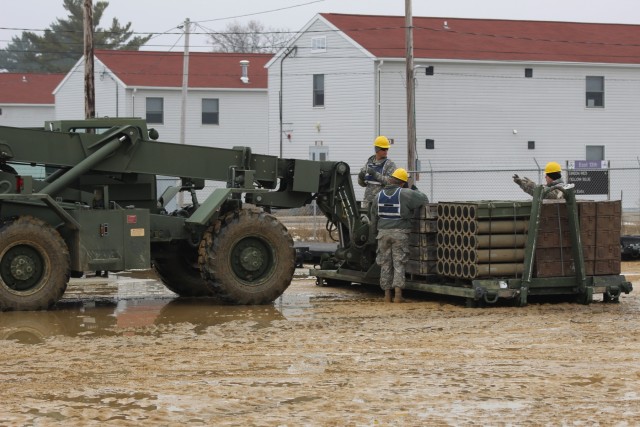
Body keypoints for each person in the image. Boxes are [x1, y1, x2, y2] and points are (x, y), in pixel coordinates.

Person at [372, 168, 429, 303]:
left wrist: (375, 234)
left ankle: (386, 295)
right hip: (400, 233)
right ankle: (398, 296)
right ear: (402, 183)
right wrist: (414, 189)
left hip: (382, 234)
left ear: (391, 180)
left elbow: (373, 218)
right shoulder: (405, 194)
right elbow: (424, 199)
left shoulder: (378, 196)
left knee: (385, 264)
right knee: (399, 263)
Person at [358, 135, 397, 209]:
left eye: (387, 149)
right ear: (377, 149)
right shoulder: (369, 162)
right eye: (383, 149)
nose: (386, 151)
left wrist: (375, 174)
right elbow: (362, 184)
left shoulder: (389, 164)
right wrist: (361, 176)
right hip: (368, 202)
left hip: (382, 202)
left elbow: (392, 182)